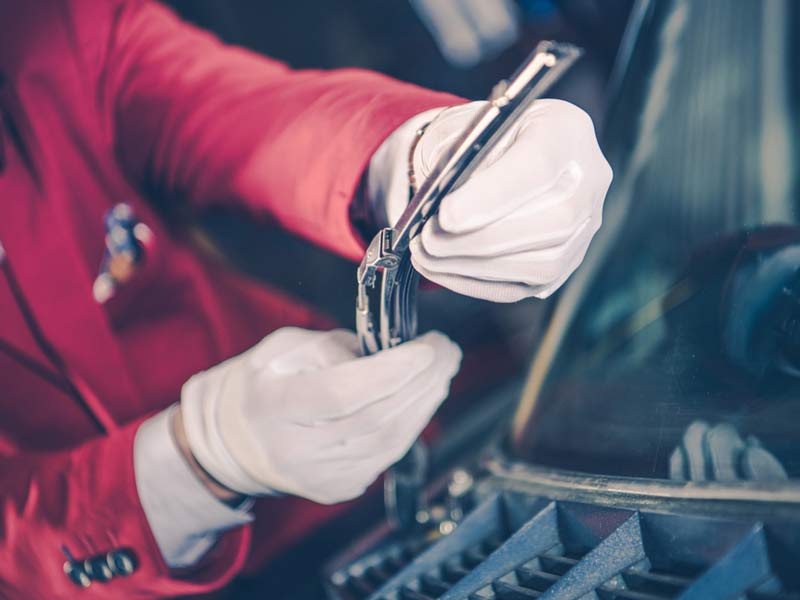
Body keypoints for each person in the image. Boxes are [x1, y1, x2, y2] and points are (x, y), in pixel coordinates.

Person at [0, 0, 612, 597]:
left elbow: (233, 109)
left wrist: (412, 158)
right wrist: (200, 458)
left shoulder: (43, 24)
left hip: (368, 465)